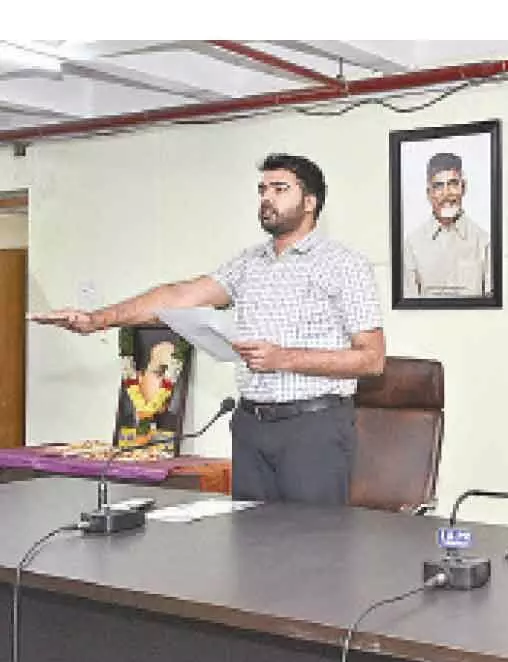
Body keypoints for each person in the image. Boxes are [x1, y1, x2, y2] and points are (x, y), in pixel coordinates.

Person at [32, 153, 386, 505]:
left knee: (314, 546)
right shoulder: (248, 263)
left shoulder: (344, 265)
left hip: (313, 427)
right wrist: (96, 321)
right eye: (262, 189)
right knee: (251, 545)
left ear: (310, 202)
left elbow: (371, 359)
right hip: (251, 425)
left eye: (280, 189)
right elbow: (177, 297)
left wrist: (283, 358)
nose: (266, 197)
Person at [402, 152, 492, 298]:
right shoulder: (412, 245)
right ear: (429, 193)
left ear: (463, 187)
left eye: (453, 184)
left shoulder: (484, 242)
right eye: (438, 186)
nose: (446, 193)